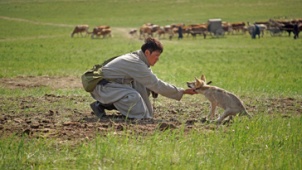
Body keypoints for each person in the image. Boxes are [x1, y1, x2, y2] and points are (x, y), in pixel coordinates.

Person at [90, 37, 196, 119]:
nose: (157, 59)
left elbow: (151, 82)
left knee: (143, 87)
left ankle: (138, 113)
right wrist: (183, 91)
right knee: (133, 97)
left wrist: (152, 88)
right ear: (147, 53)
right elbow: (156, 84)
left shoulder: (139, 59)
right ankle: (102, 104)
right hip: (102, 88)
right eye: (156, 55)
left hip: (113, 86)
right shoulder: (135, 62)